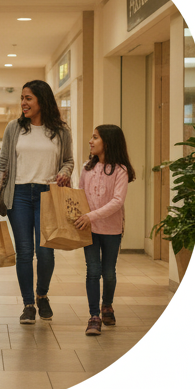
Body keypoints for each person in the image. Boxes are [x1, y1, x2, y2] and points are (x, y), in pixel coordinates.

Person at [0, 80, 74, 324]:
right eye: (22, 98)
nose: (23, 103)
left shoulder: (60, 131)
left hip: (48, 195)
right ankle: (28, 304)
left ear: (42, 100)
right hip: (19, 195)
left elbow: (68, 160)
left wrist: (65, 172)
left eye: (28, 98)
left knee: (45, 252)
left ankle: (42, 295)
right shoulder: (14, 128)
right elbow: (3, 164)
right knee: (25, 252)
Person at [76, 125, 135, 336]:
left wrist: (90, 216)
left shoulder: (120, 170)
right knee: (92, 271)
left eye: (95, 137)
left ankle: (107, 304)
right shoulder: (87, 167)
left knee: (108, 273)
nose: (90, 141)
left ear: (107, 142)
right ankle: (94, 316)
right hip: (89, 229)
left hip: (112, 229)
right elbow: (80, 194)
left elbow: (118, 201)